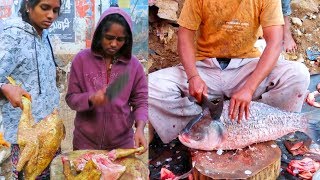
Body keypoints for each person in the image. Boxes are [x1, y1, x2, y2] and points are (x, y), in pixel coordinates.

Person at [148, 0, 310, 144]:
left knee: (298, 74)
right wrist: (193, 76)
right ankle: (200, 128)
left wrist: (249, 89)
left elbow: (274, 43)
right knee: (150, 86)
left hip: (246, 67)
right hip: (205, 67)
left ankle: (257, 126)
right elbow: (185, 36)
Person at [65, 7, 148, 154]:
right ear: (99, 35)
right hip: (85, 144)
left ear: (126, 40)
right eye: (109, 38)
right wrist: (90, 99)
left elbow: (140, 101)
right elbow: (71, 99)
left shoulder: (134, 66)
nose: (114, 44)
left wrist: (140, 128)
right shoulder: (81, 60)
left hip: (121, 145)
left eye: (120, 39)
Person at [0, 0, 61, 179]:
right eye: (45, 8)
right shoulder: (11, 35)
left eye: (56, 10)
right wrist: (4, 87)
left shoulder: (45, 35)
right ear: (28, 5)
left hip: (49, 132)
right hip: (24, 138)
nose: (51, 15)